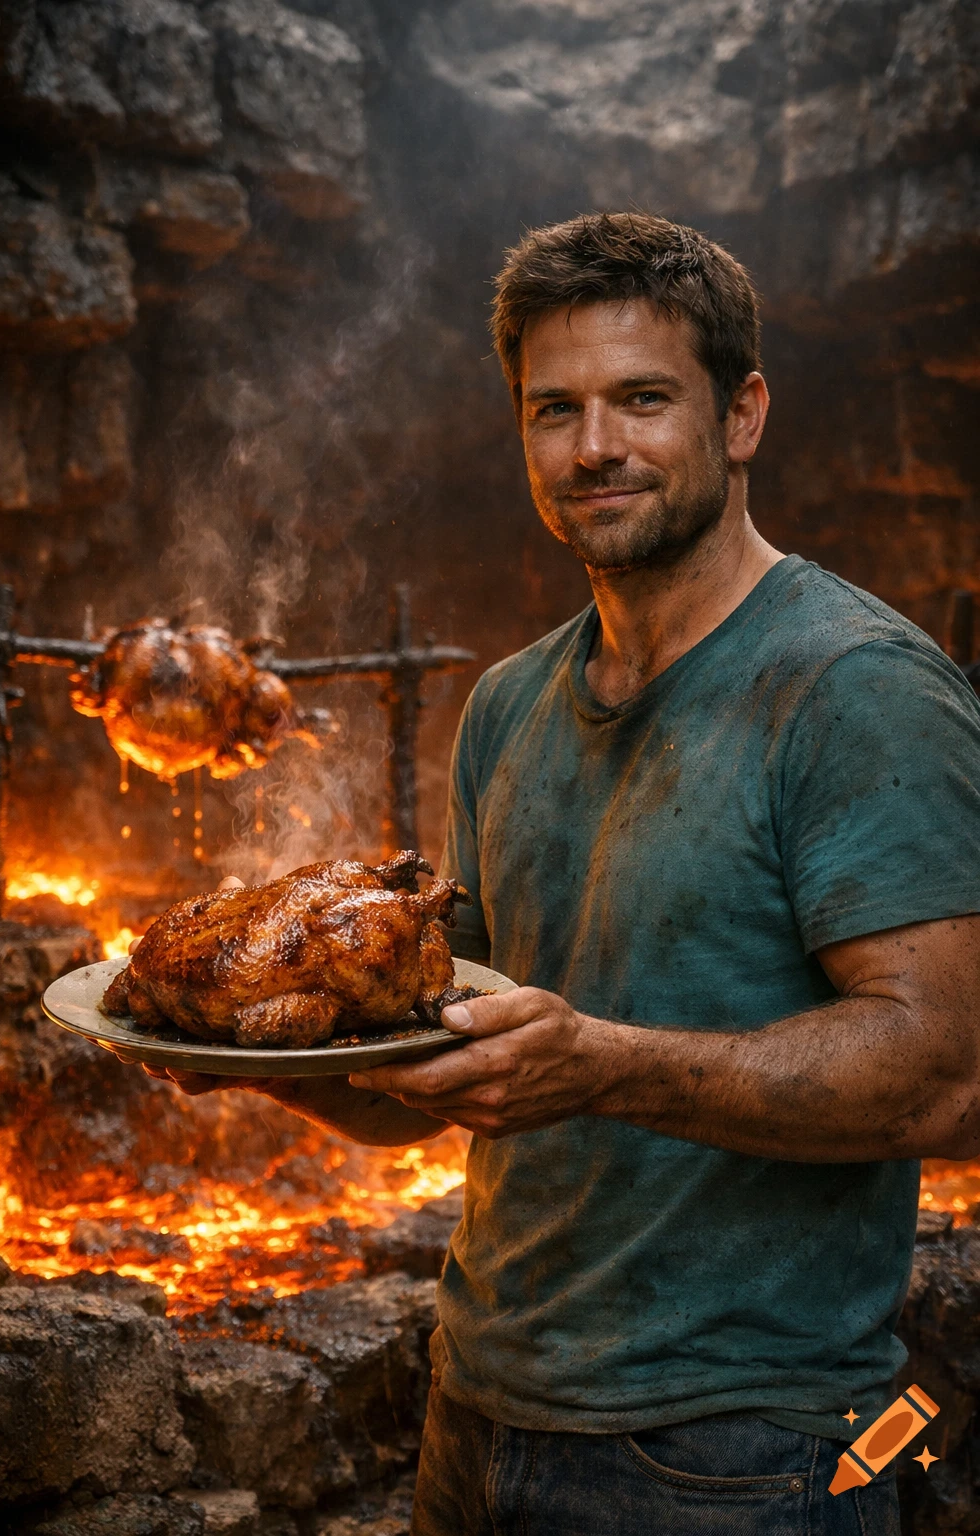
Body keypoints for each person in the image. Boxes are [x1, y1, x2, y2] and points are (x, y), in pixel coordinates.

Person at [145, 213, 980, 1535]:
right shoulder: (505, 708)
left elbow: (946, 1076)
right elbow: (454, 1076)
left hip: (740, 1453)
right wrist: (249, 1058)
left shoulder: (855, 688)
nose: (597, 445)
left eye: (644, 400)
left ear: (743, 414)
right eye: (557, 409)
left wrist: (605, 1065)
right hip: (477, 1413)